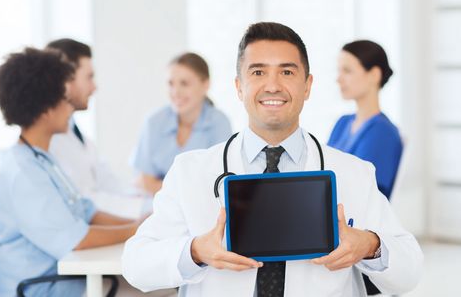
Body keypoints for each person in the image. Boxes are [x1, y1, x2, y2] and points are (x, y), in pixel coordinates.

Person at [122, 22, 423, 297]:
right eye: (258, 72)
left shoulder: (354, 173)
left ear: (307, 86)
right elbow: (136, 265)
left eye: (287, 72)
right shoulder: (191, 171)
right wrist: (196, 251)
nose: (273, 85)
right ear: (239, 87)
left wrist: (369, 245)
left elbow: (409, 273)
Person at [0, 48, 142, 297]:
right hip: (40, 288)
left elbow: (87, 211)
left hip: (62, 280)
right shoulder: (24, 173)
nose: (70, 107)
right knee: (155, 288)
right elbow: (77, 239)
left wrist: (141, 223)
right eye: (65, 99)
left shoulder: (41, 158)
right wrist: (135, 231)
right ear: (46, 109)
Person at [130, 52, 232, 195]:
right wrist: (188, 191)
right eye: (170, 83)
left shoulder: (219, 123)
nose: (175, 92)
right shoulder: (153, 122)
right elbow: (144, 181)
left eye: (184, 83)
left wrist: (161, 187)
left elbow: (218, 182)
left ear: (205, 85)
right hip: (156, 207)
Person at [46, 39, 123, 201]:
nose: (94, 87)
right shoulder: (50, 142)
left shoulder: (77, 134)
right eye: (89, 77)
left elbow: (111, 186)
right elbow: (85, 202)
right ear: (66, 78)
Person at [328, 40, 403, 199]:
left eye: (347, 71)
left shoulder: (383, 132)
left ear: (374, 75)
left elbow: (371, 194)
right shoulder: (343, 123)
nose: (339, 79)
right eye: (339, 71)